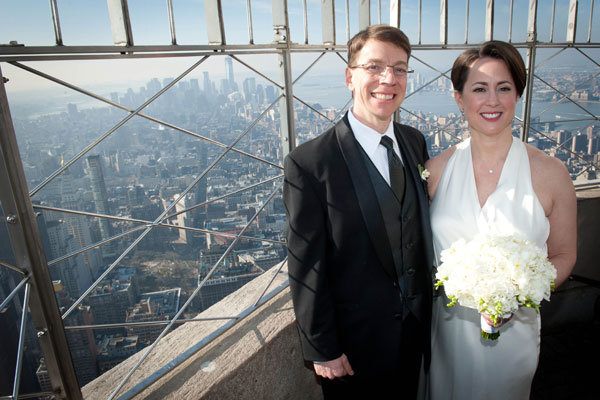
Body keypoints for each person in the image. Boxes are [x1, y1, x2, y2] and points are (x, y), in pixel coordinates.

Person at [283, 25, 434, 399]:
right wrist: (323, 348)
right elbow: (306, 264)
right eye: (375, 67)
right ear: (351, 77)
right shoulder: (310, 163)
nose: (389, 79)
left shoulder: (415, 142)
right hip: (354, 350)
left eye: (400, 69)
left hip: (417, 335)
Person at [422, 41, 577, 399]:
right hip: (447, 335)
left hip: (515, 339)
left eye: (504, 88)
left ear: (517, 96)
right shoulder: (434, 172)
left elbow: (565, 254)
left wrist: (518, 294)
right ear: (459, 100)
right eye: (479, 89)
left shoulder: (552, 173)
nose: (492, 101)